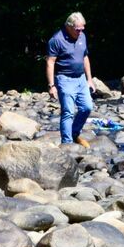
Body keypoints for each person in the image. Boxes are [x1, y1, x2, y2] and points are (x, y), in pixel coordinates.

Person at [47, 11, 94, 147]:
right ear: (69, 26)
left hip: (81, 78)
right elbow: (50, 62)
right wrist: (51, 85)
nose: (80, 32)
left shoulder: (82, 37)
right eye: (77, 29)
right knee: (68, 111)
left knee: (86, 107)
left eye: (82, 29)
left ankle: (74, 133)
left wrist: (89, 79)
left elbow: (85, 57)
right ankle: (67, 143)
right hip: (64, 79)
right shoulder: (56, 40)